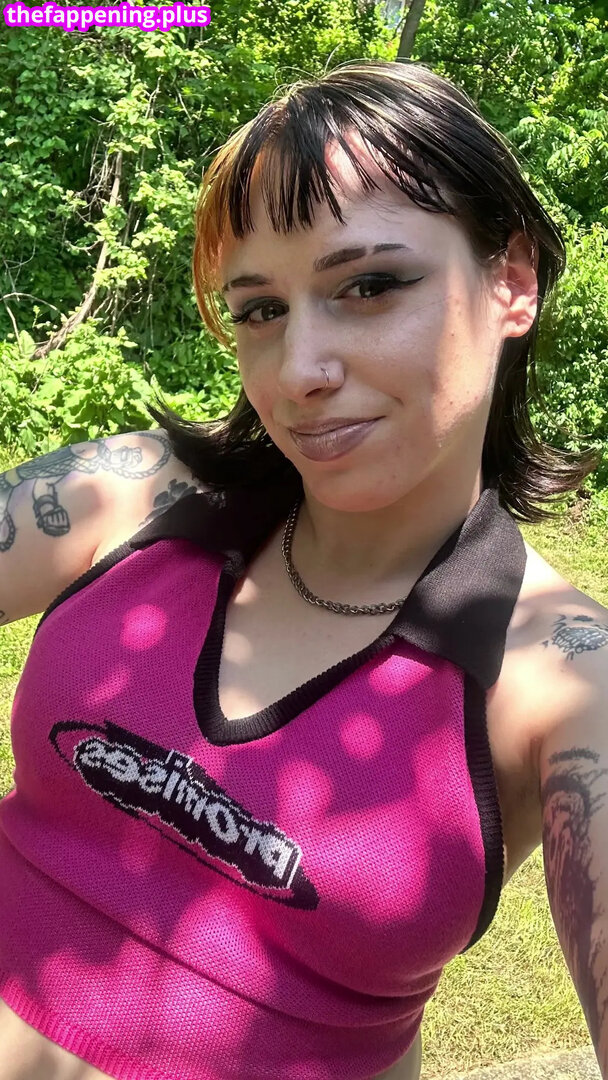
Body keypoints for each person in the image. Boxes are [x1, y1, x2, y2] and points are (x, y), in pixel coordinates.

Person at [0, 58, 606, 1080]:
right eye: (260, 310)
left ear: (510, 281)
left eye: (368, 286)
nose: (298, 372)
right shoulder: (136, 496)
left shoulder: (559, 676)